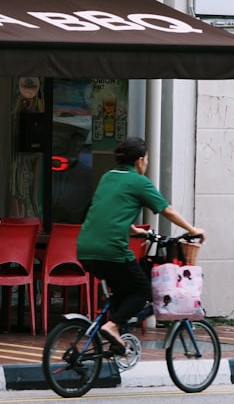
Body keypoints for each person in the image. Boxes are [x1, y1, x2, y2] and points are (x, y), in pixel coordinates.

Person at [77, 137, 206, 345]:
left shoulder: (108, 177)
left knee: (122, 291)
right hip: (112, 251)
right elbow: (167, 210)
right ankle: (112, 326)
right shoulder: (138, 181)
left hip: (85, 248)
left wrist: (133, 229)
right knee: (143, 291)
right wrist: (193, 230)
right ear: (139, 160)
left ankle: (110, 340)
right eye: (146, 159)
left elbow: (106, 209)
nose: (146, 163)